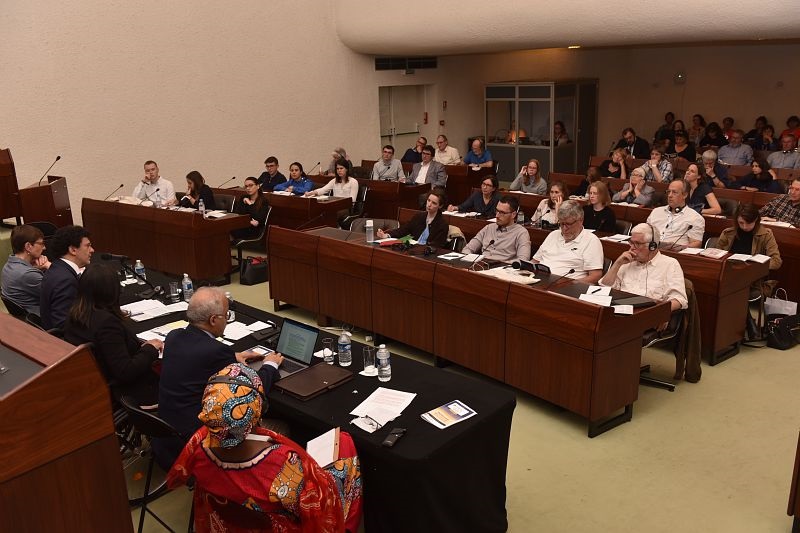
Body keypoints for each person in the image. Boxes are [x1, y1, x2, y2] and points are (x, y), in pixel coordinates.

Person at [167, 363, 363, 533]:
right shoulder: (282, 464)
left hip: (229, 524)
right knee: (344, 442)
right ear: (256, 411)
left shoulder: (198, 446)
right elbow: (317, 510)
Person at [156, 287, 283, 468]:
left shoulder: (174, 336)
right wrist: (270, 365)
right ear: (213, 320)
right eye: (226, 315)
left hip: (168, 429)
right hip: (198, 436)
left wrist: (234, 356)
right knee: (283, 427)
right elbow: (252, 388)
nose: (227, 320)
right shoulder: (216, 351)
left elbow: (196, 359)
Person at [63, 263, 161, 406]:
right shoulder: (106, 324)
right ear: (111, 291)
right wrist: (150, 348)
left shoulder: (75, 314)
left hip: (92, 386)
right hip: (129, 393)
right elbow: (125, 371)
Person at [600, 223, 688, 325]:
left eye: (637, 244)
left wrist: (659, 314)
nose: (632, 248)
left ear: (652, 246)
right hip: (621, 315)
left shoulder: (670, 264)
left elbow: (679, 300)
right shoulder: (627, 261)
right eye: (631, 242)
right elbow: (604, 288)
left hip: (648, 318)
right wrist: (617, 264)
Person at [531, 200, 603, 283]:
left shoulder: (591, 240)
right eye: (561, 224)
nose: (564, 228)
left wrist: (570, 284)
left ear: (581, 220)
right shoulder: (553, 235)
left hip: (566, 286)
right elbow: (535, 261)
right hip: (538, 280)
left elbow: (595, 276)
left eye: (568, 224)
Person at [40, 225, 94, 330]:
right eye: (88, 246)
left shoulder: (57, 267)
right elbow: (62, 324)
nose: (92, 250)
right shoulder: (65, 280)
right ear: (73, 250)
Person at [461, 195, 531, 262]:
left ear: (513, 214)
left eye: (502, 213)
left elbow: (523, 260)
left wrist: (503, 265)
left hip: (503, 268)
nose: (497, 216)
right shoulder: (488, 228)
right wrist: (469, 259)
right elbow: (468, 249)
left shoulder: (521, 233)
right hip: (481, 265)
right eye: (497, 211)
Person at [1, 225, 50, 315]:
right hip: (44, 317)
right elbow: (62, 291)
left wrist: (38, 269)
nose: (44, 248)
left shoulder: (7, 266)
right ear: (28, 246)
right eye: (41, 244)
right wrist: (49, 265)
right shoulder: (27, 274)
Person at [377, 190, 448, 247]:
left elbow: (437, 246)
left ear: (440, 206)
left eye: (434, 203)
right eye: (428, 200)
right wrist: (387, 235)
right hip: (412, 250)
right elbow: (404, 230)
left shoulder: (442, 225)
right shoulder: (419, 216)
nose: (429, 205)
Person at [646, 179, 705, 248]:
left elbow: (696, 243)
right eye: (669, 191)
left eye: (674, 192)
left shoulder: (695, 218)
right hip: (650, 249)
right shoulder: (656, 211)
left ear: (685, 195)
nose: (670, 195)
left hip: (674, 253)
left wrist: (679, 248)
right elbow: (644, 233)